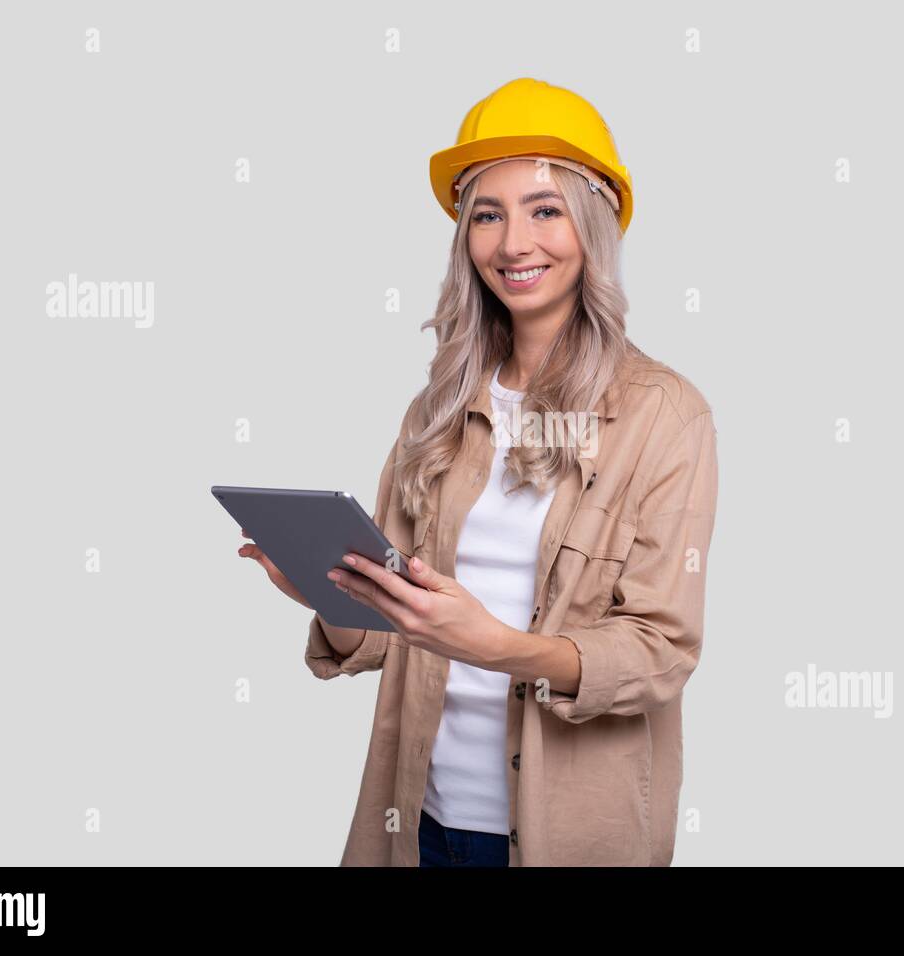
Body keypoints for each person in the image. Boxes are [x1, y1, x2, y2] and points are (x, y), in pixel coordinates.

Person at [238, 77, 718, 866]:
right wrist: (328, 593)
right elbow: (388, 632)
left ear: (593, 225)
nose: (513, 243)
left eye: (544, 210)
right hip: (415, 817)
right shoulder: (439, 406)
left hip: (566, 836)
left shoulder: (667, 416)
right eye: (487, 215)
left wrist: (494, 645)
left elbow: (659, 653)